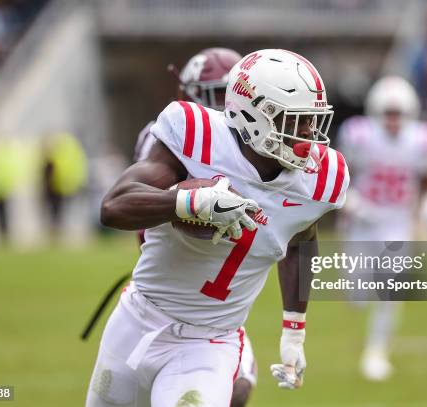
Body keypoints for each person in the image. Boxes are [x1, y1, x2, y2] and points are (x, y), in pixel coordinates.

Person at [86, 49, 348, 407]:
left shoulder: (320, 181)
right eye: (295, 120)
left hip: (209, 342)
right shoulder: (196, 137)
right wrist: (187, 203)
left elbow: (302, 238)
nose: (308, 134)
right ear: (257, 116)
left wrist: (294, 328)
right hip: (136, 319)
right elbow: (113, 207)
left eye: (312, 120)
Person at [133, 47, 258, 406]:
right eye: (217, 94)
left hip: (226, 295)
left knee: (239, 385)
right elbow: (141, 213)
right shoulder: (171, 135)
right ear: (188, 94)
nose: (226, 104)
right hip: (175, 284)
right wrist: (191, 210)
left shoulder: (250, 142)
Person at [336, 76, 427, 381]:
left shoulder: (422, 140)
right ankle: (361, 304)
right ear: (375, 112)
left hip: (396, 222)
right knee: (357, 292)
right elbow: (343, 174)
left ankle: (376, 352)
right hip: (361, 222)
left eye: (399, 114)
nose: (394, 121)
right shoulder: (359, 135)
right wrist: (351, 200)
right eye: (388, 113)